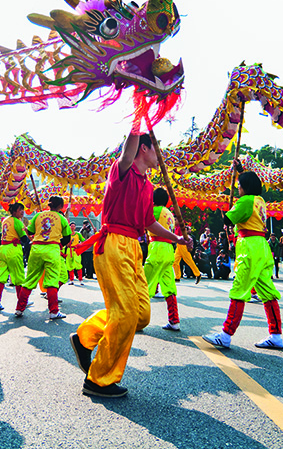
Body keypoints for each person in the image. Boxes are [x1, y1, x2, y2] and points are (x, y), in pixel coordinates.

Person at [69, 130, 189, 399]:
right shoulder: (122, 170)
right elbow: (127, 152)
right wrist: (139, 115)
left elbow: (149, 222)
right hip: (113, 244)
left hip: (134, 248)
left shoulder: (148, 186)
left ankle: (86, 335)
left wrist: (176, 238)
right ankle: (99, 380)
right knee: (125, 313)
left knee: (141, 315)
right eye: (156, 148)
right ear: (143, 148)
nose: (160, 155)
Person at [202, 160, 283, 350]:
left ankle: (226, 335)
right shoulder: (259, 200)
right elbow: (249, 182)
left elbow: (228, 219)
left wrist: (224, 206)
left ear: (245, 188)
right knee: (267, 291)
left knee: (239, 289)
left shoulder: (245, 201)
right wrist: (240, 170)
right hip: (262, 246)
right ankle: (276, 335)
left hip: (249, 247)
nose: (237, 188)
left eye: (239, 186)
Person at [15, 196, 71, 319]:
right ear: (61, 206)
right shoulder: (62, 218)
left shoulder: (38, 215)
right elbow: (67, 238)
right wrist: (59, 243)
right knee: (52, 280)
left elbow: (30, 232)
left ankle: (19, 309)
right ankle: (53, 311)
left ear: (49, 204)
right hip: (52, 250)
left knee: (29, 279)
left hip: (36, 249)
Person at [143, 188, 184, 331]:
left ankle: (137, 318)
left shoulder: (155, 210)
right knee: (169, 286)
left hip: (157, 248)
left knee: (144, 285)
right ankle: (174, 320)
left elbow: (143, 222)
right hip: (168, 250)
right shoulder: (169, 213)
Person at [0, 202, 30, 311]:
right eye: (20, 209)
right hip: (13, 250)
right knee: (19, 277)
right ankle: (21, 303)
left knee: (1, 276)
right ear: (14, 211)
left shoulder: (5, 220)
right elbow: (24, 239)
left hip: (2, 249)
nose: (22, 211)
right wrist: (27, 233)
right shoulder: (18, 222)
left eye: (23, 209)